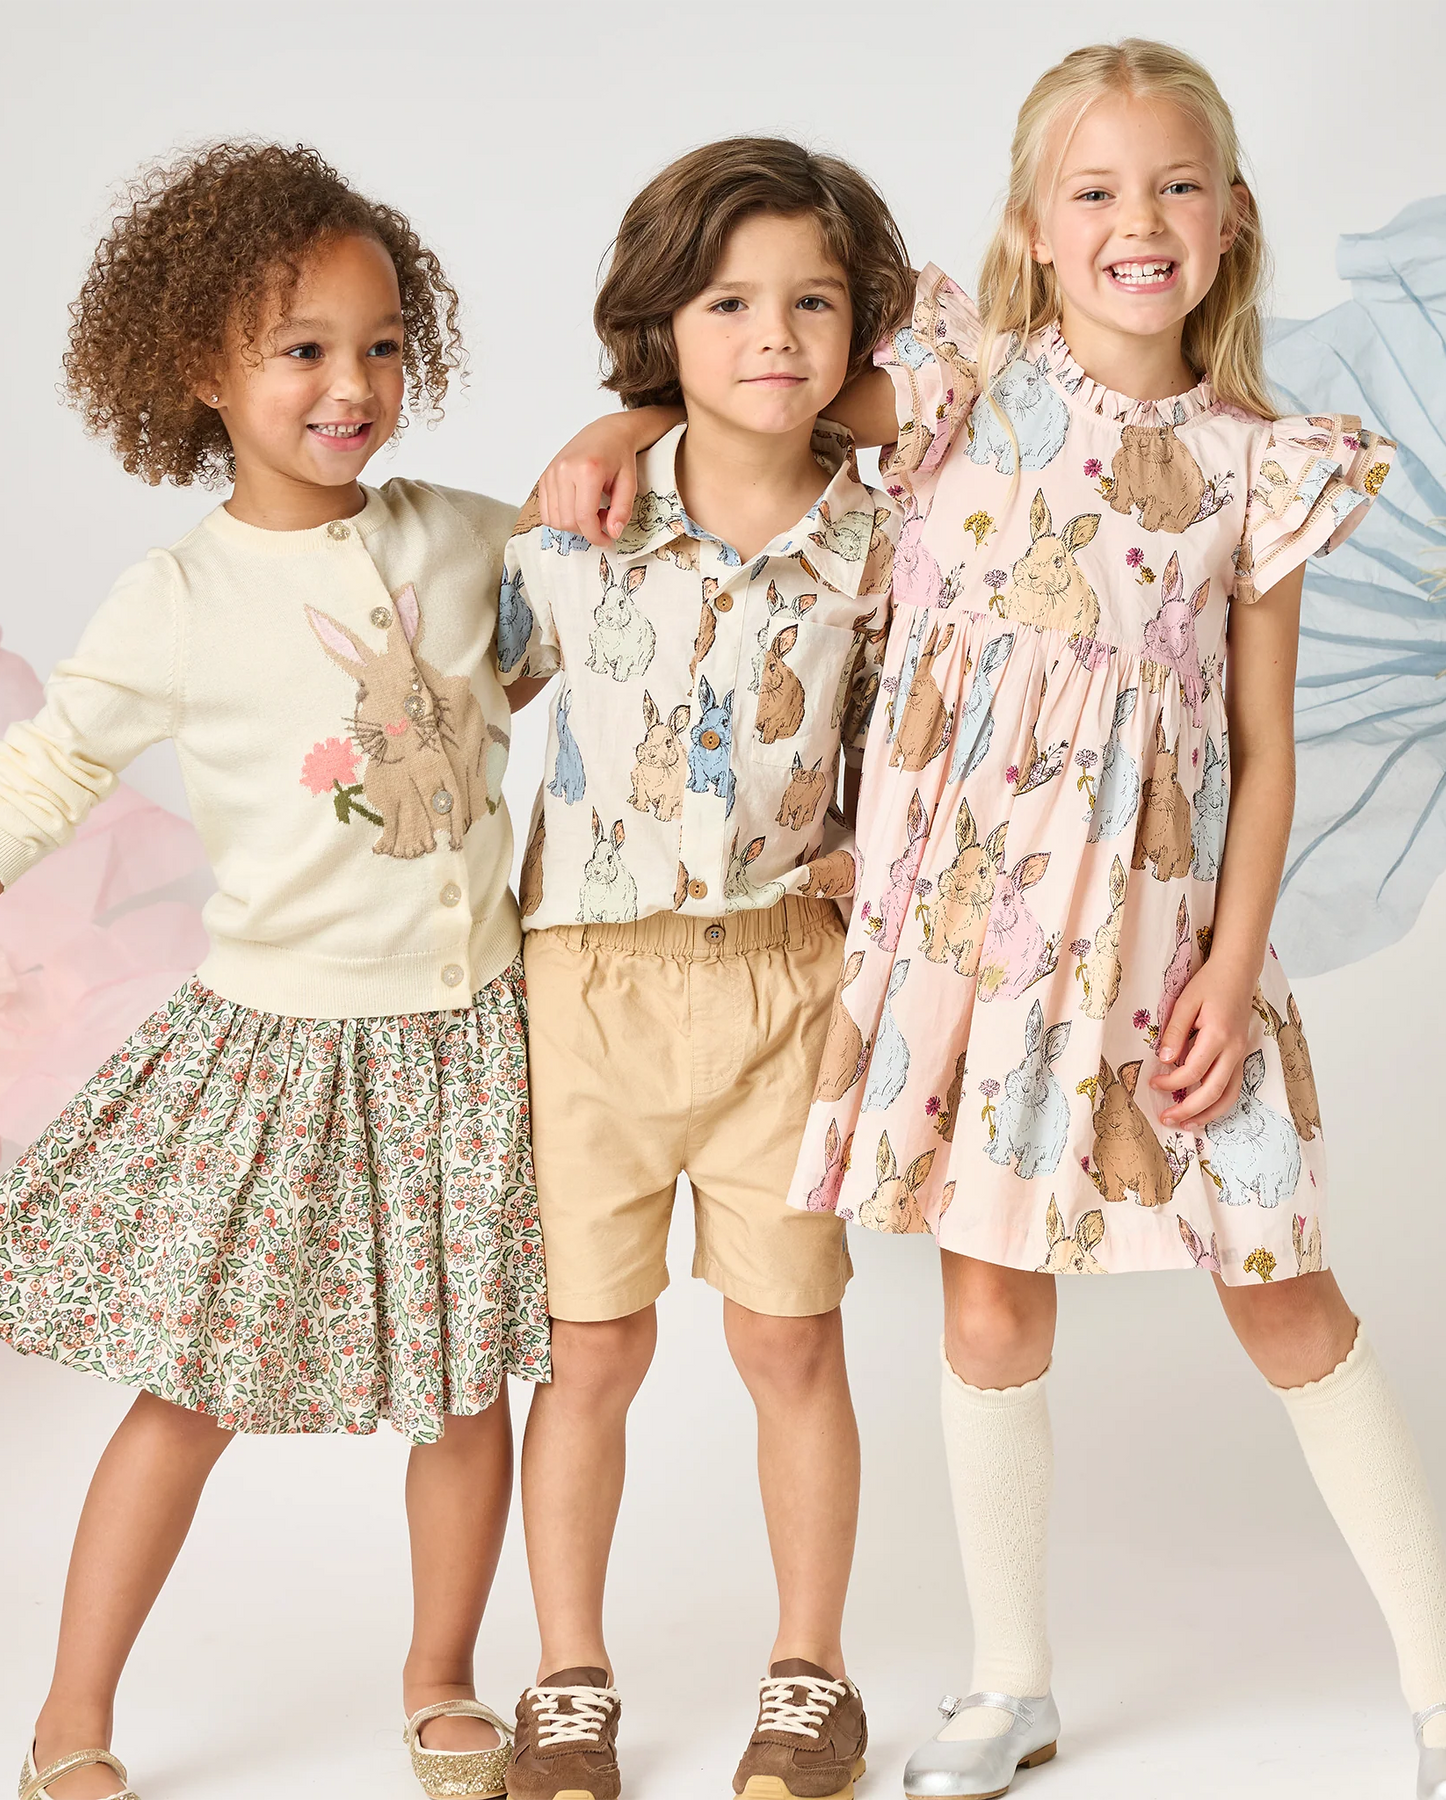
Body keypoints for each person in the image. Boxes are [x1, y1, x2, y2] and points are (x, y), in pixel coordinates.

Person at [537, 43, 1446, 1800]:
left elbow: (1268, 749)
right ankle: (1010, 1684)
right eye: (1097, 191)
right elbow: (751, 403)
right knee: (990, 1319)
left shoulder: (1260, 466)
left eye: (1176, 186)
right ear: (1032, 231)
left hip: (1163, 957)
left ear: (1231, 219)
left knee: (1287, 1295)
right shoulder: (957, 388)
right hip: (971, 950)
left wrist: (1233, 967)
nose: (1140, 221)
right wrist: (615, 424)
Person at [0, 141, 545, 1800]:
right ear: (201, 368)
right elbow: (15, 801)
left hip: (468, 1044)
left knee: (468, 1391)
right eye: (302, 349)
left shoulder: (470, 542)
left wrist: (610, 449)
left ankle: (442, 1678)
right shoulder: (181, 599)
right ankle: (71, 1719)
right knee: (189, 1392)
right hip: (281, 1055)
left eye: (382, 345)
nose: (352, 385)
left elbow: (613, 586)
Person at [496, 137, 912, 1800]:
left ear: (862, 327)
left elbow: (911, 757)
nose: (775, 336)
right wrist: (613, 431)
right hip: (585, 992)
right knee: (589, 1350)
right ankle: (568, 1676)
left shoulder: (891, 548)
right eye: (729, 302)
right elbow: (451, 711)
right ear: (661, 324)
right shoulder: (573, 531)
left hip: (783, 987)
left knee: (788, 1341)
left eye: (815, 302)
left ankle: (812, 1673)